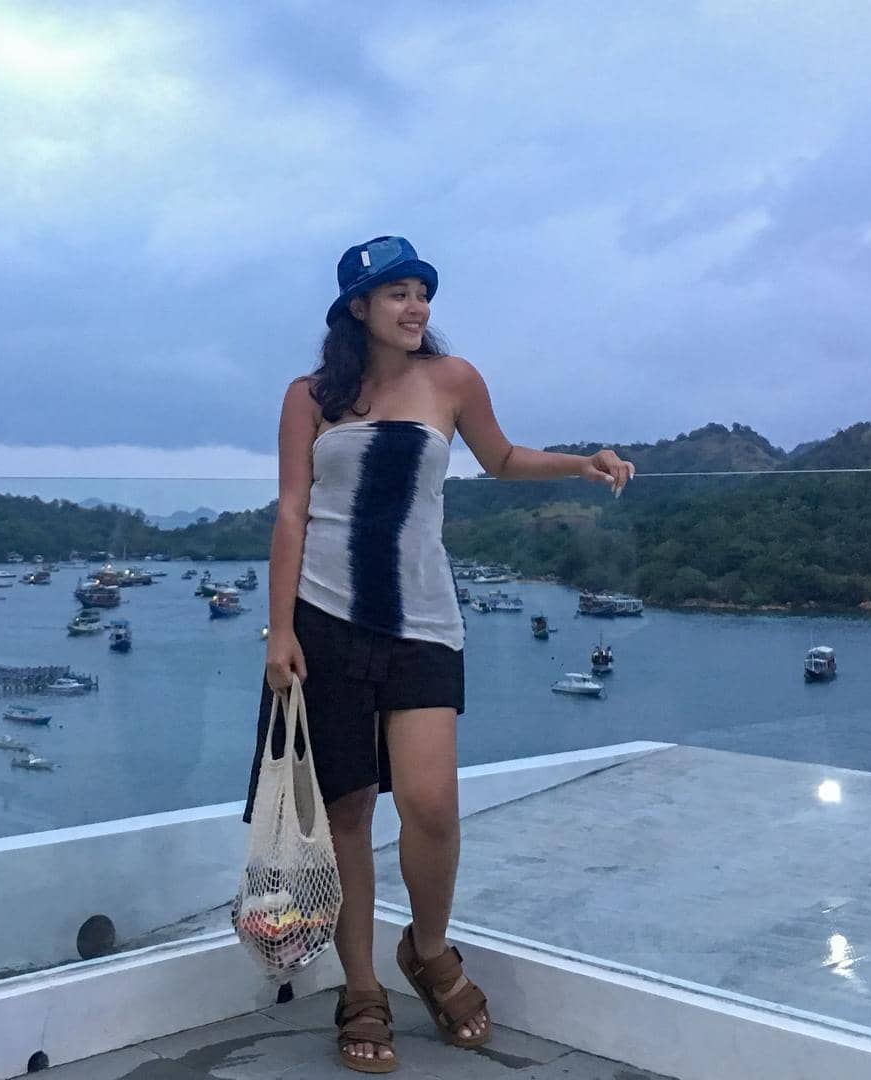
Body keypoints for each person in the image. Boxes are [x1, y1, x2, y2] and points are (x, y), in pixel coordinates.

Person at [243, 236, 633, 1073]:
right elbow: (292, 512)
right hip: (324, 620)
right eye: (397, 294)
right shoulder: (310, 397)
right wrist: (280, 631)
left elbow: (501, 458)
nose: (416, 307)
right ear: (358, 308)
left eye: (422, 292)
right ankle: (361, 988)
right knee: (347, 811)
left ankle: (426, 950)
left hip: (423, 621)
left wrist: (582, 462)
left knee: (431, 807)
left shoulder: (453, 381)